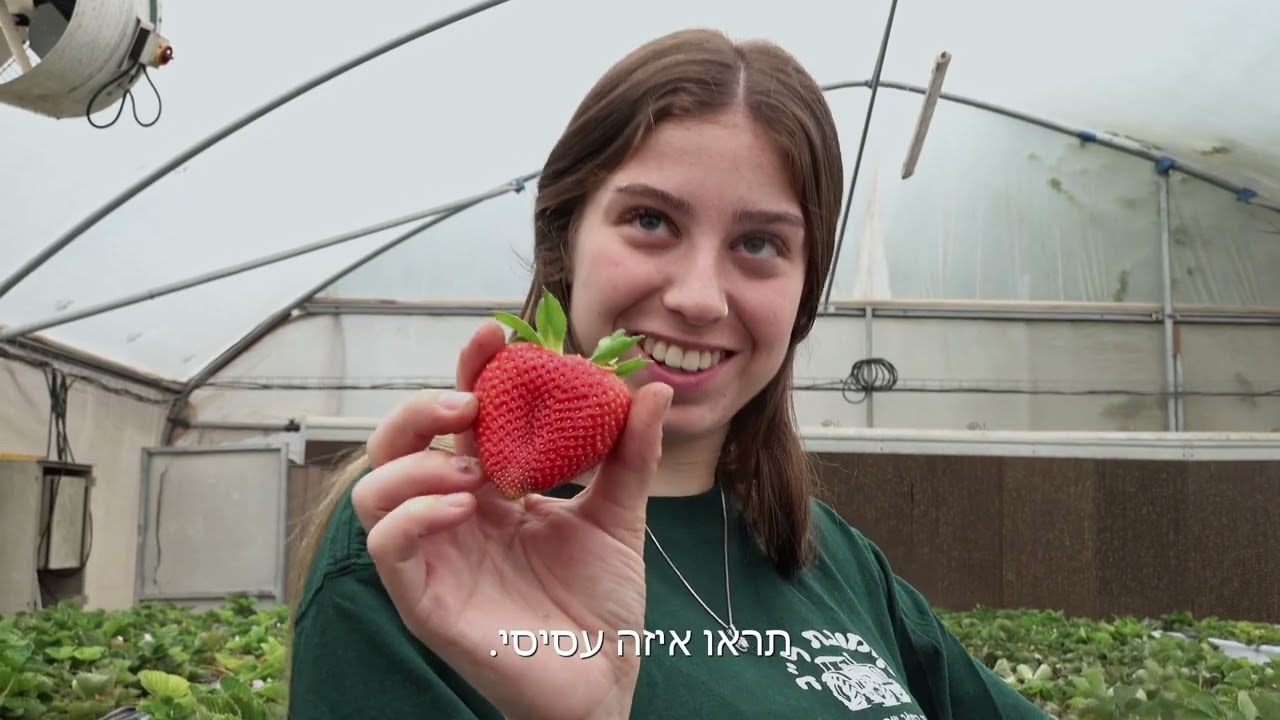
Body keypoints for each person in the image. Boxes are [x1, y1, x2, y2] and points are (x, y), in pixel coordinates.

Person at [285, 27, 1051, 720]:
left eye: (759, 243)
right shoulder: (425, 538)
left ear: (803, 297)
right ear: (564, 244)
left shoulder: (834, 559)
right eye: (651, 221)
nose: (696, 298)